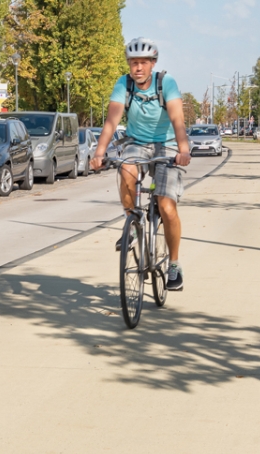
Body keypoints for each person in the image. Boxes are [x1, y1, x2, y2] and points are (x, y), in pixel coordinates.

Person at [91, 38, 191, 291]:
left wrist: (183, 148)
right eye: (133, 63)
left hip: (167, 144)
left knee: (166, 206)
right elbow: (111, 121)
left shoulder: (165, 83)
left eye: (143, 63)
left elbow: (177, 118)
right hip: (137, 142)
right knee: (126, 169)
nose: (138, 68)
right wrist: (99, 152)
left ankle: (174, 264)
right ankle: (133, 224)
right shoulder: (123, 85)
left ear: (153, 64)